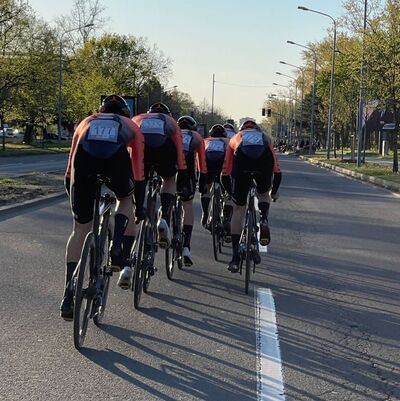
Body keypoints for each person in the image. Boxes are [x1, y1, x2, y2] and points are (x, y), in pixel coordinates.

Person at [60, 95, 146, 319]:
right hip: (116, 161)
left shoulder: (86, 121)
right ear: (124, 113)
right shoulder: (131, 125)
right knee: (125, 199)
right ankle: (117, 248)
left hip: (84, 162)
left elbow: (70, 166)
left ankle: (68, 294)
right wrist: (140, 204)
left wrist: (74, 195)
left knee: (80, 228)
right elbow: (138, 172)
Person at [116, 103, 187, 286]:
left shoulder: (137, 119)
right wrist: (183, 174)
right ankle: (163, 216)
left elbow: (129, 149)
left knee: (131, 203)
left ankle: (126, 260)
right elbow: (180, 154)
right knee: (169, 179)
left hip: (142, 153)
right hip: (165, 150)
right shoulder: (170, 122)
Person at [221, 119, 282, 273]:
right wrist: (274, 191)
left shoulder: (235, 138)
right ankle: (264, 219)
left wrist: (231, 193)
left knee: (239, 209)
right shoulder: (265, 138)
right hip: (264, 163)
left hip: (241, 162)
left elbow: (226, 170)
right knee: (262, 194)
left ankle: (235, 257)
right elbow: (276, 169)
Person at [177, 115, 207, 266]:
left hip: (170, 169)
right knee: (187, 205)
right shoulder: (196, 137)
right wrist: (202, 186)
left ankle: (162, 217)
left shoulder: (172, 133)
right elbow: (202, 165)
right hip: (188, 173)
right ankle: (186, 246)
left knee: (166, 186)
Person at [201, 124, 233, 240]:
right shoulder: (228, 141)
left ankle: (205, 213)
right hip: (222, 167)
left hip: (208, 166)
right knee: (228, 193)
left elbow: (199, 159)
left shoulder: (206, 141)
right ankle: (227, 218)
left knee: (206, 188)